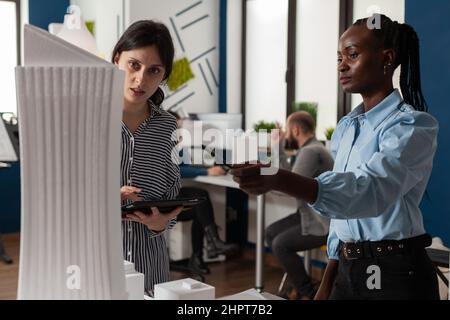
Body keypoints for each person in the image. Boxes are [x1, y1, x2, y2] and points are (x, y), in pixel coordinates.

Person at [231, 14, 440, 300]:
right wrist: (328, 281)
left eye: (352, 55)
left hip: (396, 271)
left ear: (386, 58)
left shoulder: (412, 126)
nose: (342, 65)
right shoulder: (345, 127)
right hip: (347, 267)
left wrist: (279, 178)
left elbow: (370, 190)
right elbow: (342, 220)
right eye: (339, 57)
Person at [113, 20, 183, 297]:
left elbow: (172, 192)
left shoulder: (168, 126)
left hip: (150, 267)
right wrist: (107, 201)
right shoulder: (87, 118)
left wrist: (163, 223)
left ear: (163, 75)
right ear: (117, 59)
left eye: (153, 70)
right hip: (99, 260)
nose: (141, 79)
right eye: (134, 65)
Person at [265, 111, 333, 300]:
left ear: (295, 129)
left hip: (321, 222)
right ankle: (301, 285)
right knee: (271, 232)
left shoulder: (310, 152)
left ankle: (308, 292)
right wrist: (277, 145)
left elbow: (288, 187)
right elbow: (287, 174)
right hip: (308, 214)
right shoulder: (310, 148)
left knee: (280, 244)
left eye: (287, 131)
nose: (286, 135)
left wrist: (262, 185)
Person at [169, 111, 238, 275]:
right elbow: (176, 170)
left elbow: (184, 163)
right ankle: (209, 247)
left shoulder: (173, 144)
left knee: (201, 202)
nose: (179, 130)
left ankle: (202, 254)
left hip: (170, 194)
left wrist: (209, 168)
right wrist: (208, 172)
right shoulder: (159, 145)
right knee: (201, 203)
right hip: (160, 201)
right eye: (177, 127)